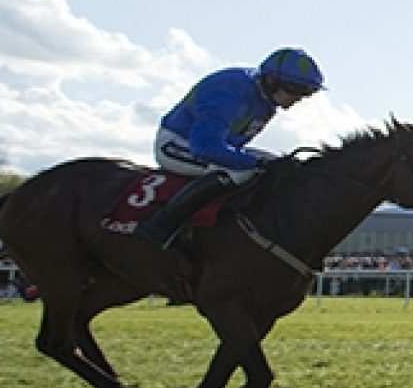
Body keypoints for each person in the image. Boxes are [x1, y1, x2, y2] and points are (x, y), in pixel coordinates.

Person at [135, 48, 325, 248]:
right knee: (239, 172)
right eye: (296, 90)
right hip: (179, 144)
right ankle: (159, 226)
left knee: (281, 164)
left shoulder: (267, 101)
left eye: (306, 93)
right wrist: (254, 163)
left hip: (211, 146)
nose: (299, 99)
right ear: (271, 80)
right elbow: (205, 147)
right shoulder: (229, 89)